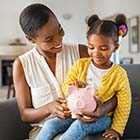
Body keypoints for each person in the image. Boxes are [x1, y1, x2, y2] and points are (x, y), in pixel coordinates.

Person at [13, 3, 117, 140]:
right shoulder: (22, 64)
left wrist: (102, 110)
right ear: (31, 39)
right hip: (43, 130)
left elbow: (115, 89)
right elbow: (25, 114)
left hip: (84, 123)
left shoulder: (82, 52)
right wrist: (48, 108)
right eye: (49, 39)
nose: (58, 40)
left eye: (60, 30)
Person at [36, 14, 131, 140]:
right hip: (76, 113)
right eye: (91, 47)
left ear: (115, 47)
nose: (96, 53)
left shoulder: (119, 74)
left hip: (103, 118)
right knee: (51, 124)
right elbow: (66, 85)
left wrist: (117, 130)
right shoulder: (80, 64)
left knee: (80, 126)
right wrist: (73, 86)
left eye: (103, 48)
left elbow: (124, 104)